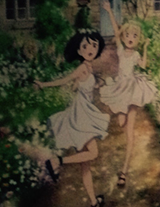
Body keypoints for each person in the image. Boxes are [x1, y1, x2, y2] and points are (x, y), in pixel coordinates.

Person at [35, 29, 109, 207]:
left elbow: (79, 86)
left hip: (83, 113)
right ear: (78, 50)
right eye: (85, 46)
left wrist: (94, 84)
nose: (90, 49)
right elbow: (64, 80)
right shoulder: (82, 68)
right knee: (93, 153)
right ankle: (57, 161)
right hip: (81, 116)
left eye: (93, 45)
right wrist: (43, 84)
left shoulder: (89, 68)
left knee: (85, 163)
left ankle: (94, 202)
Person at [99, 0, 160, 187]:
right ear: (123, 37)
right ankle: (124, 120)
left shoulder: (135, 55)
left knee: (130, 134)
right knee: (121, 121)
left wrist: (146, 48)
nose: (131, 38)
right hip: (120, 90)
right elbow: (116, 30)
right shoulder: (120, 49)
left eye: (134, 36)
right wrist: (109, 10)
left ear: (138, 39)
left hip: (133, 90)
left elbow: (143, 65)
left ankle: (123, 172)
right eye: (128, 35)